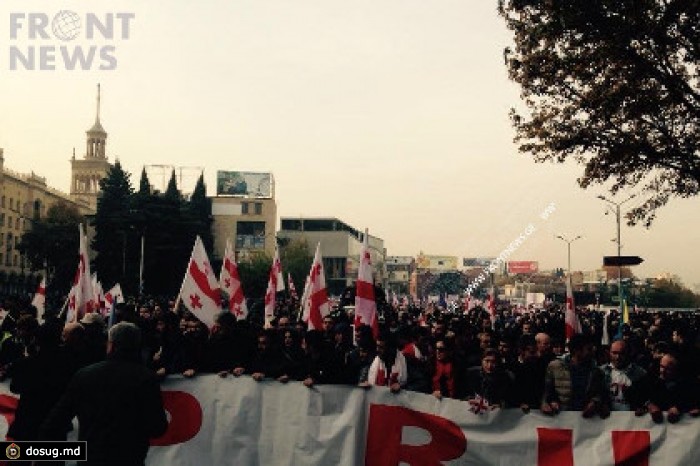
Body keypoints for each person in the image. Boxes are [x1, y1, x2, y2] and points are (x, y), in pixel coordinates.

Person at [40, 322, 168, 466]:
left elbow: (56, 421)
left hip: (91, 458)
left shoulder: (85, 375)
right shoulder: (146, 379)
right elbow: (158, 428)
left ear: (111, 345)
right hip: (129, 459)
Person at [541, 334, 608, 417]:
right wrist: (550, 402)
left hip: (586, 420)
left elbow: (600, 393)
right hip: (561, 418)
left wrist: (594, 402)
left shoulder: (596, 371)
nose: (593, 351)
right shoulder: (555, 367)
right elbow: (547, 392)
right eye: (589, 349)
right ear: (577, 351)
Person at [600, 340, 648, 414]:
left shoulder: (640, 373)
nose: (618, 357)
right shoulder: (601, 372)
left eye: (622, 353)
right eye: (614, 353)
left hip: (630, 421)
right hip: (607, 421)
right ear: (609, 353)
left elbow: (645, 398)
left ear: (629, 353)